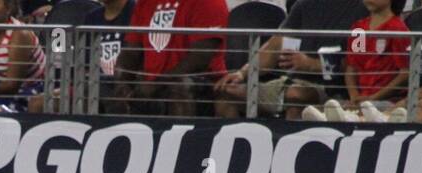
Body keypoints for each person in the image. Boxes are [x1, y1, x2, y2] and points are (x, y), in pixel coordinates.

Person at [215, 0, 367, 119]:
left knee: (296, 96)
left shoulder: (363, 9)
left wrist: (311, 65)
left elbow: (358, 62)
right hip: (287, 84)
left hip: (330, 89)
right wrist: (242, 73)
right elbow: (274, 46)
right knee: (226, 92)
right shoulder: (304, 4)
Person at [113, 0, 228, 116]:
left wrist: (157, 84)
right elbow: (130, 52)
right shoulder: (145, 2)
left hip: (203, 83)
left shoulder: (210, 2)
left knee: (180, 87)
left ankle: (182, 133)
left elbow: (200, 58)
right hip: (153, 83)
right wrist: (122, 83)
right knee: (107, 87)